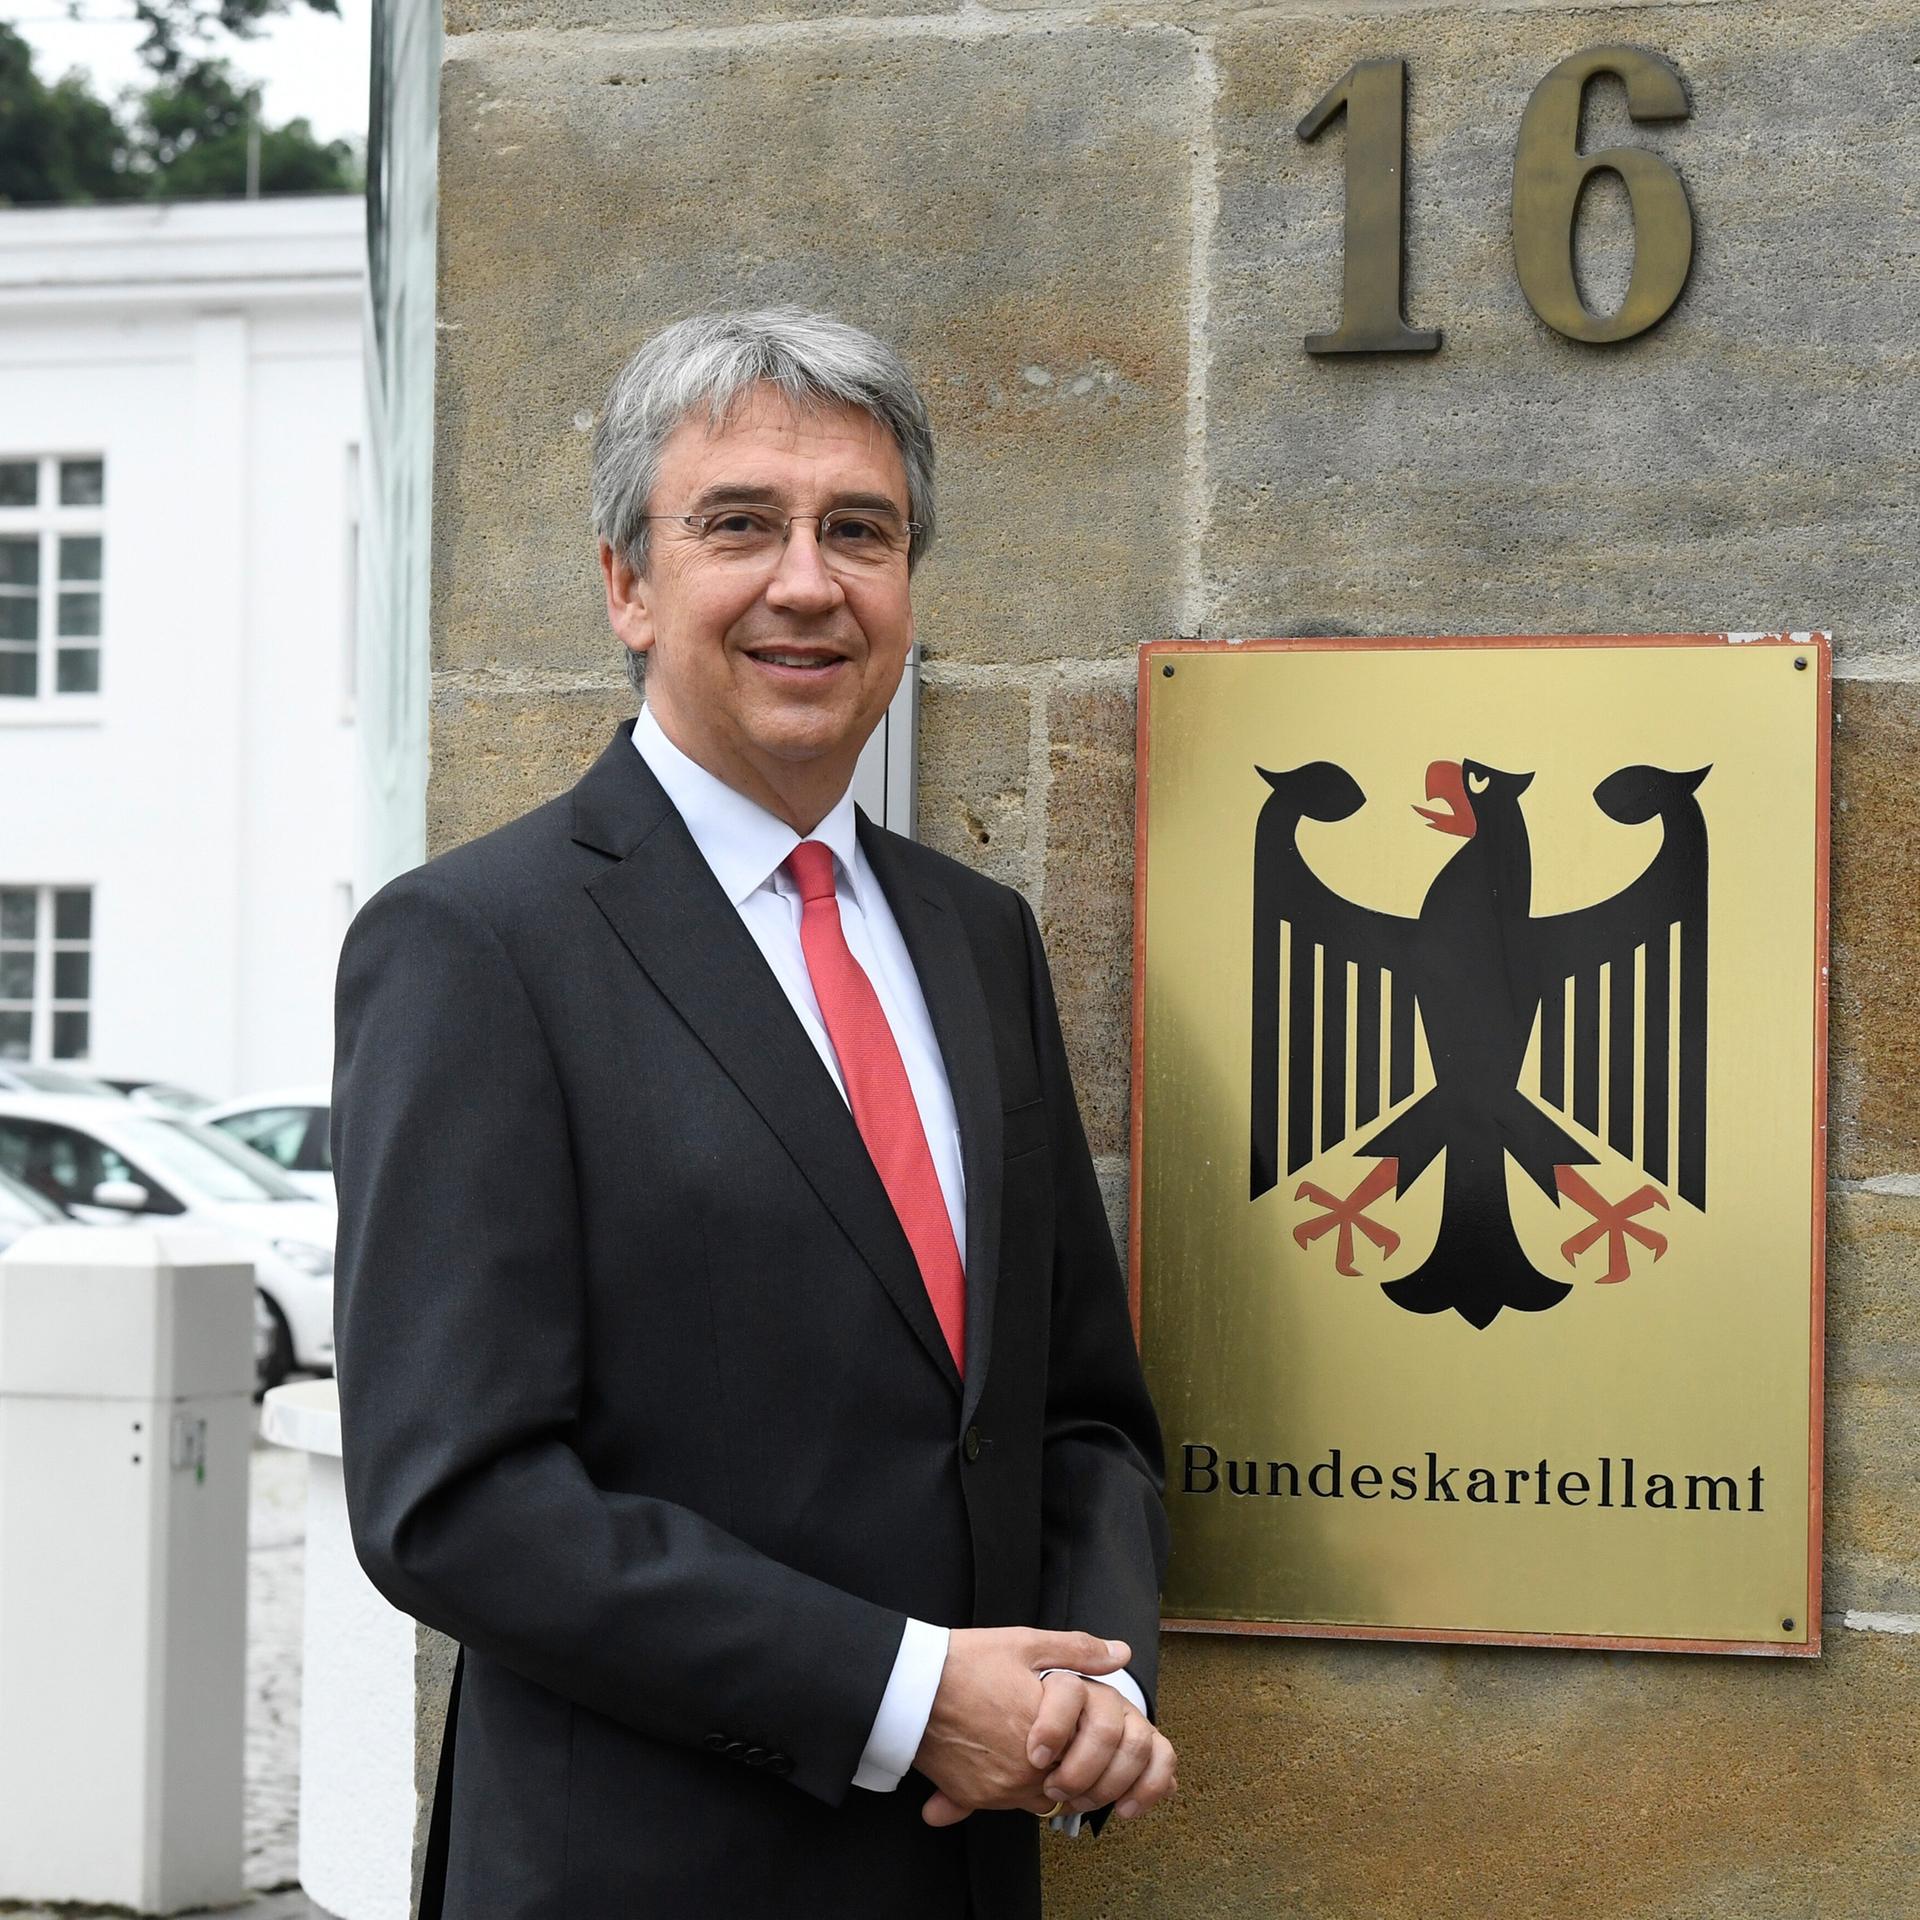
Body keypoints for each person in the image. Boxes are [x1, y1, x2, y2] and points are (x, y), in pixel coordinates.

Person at [331, 308, 1174, 1918]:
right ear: (628, 589)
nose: (808, 581)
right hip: (640, 1874)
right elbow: (456, 1499)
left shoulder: (974, 936)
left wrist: (1093, 1694)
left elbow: (1076, 1415)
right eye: (739, 526)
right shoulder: (477, 946)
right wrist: (914, 1695)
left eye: (860, 531)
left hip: (962, 1881)